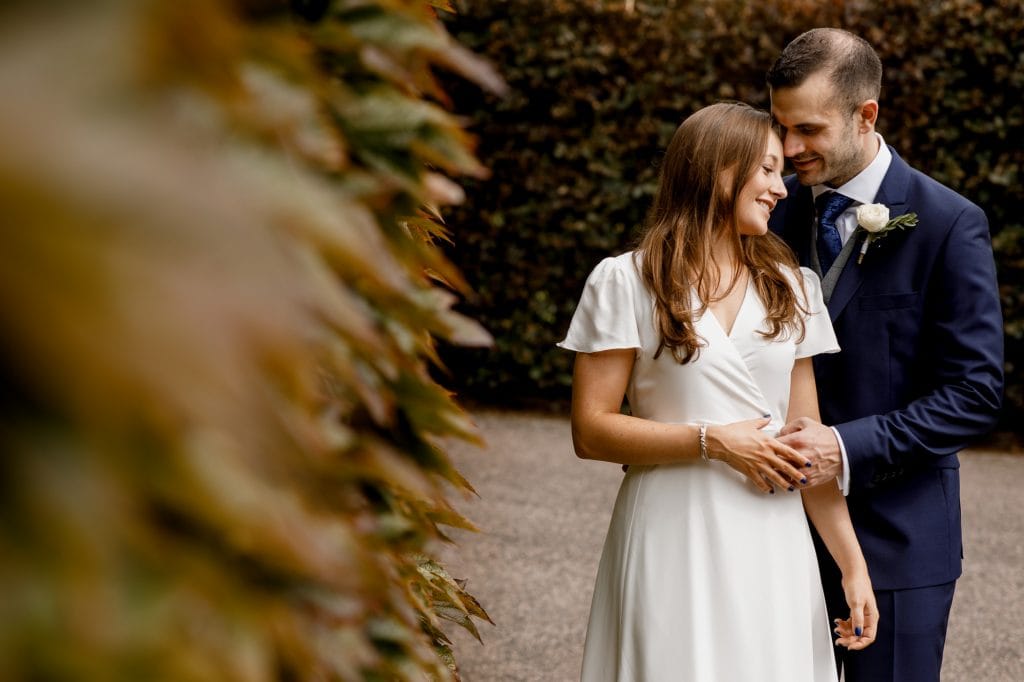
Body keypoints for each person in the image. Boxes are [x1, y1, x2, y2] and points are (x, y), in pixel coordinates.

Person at [557, 101, 877, 682]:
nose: (781, 189)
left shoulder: (793, 287)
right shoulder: (625, 281)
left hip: (773, 543)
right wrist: (713, 442)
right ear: (718, 169)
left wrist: (852, 567)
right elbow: (591, 430)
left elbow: (805, 445)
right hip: (672, 533)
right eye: (767, 170)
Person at [766, 28, 1004, 682]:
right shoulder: (769, 217)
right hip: (772, 538)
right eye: (780, 128)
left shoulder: (948, 223)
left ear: (865, 115)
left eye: (808, 130)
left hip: (899, 543)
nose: (789, 150)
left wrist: (841, 447)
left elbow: (976, 392)